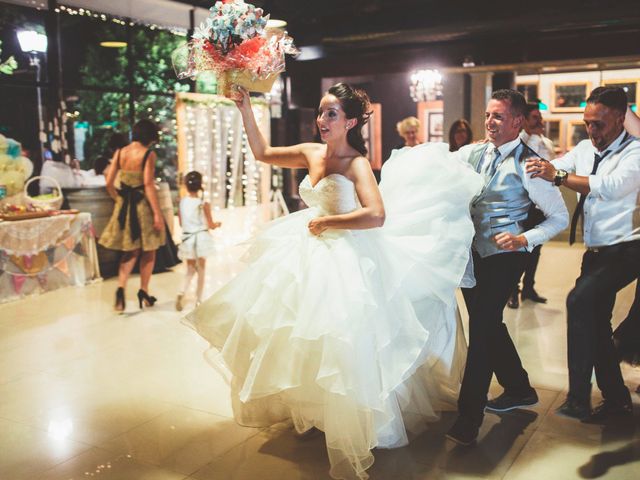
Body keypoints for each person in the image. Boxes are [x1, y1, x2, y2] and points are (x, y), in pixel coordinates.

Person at [185, 83, 483, 480]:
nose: (321, 121)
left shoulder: (356, 164)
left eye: (331, 114)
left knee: (344, 341)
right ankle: (313, 411)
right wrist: (245, 107)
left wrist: (329, 221)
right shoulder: (310, 152)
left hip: (346, 255)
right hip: (307, 251)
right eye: (321, 112)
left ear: (351, 122)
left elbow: (377, 215)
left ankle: (356, 420)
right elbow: (261, 153)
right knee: (301, 336)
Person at [446, 89, 569, 446]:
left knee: (482, 331)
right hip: (472, 254)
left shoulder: (530, 164)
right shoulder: (472, 153)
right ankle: (518, 388)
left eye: (497, 116)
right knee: (488, 324)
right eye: (487, 115)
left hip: (507, 255)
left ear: (516, 121)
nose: (489, 122)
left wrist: (524, 239)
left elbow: (558, 217)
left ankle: (469, 417)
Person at [528, 87, 640, 420]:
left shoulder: (635, 152)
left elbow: (610, 186)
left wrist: (559, 176)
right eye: (587, 123)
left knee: (578, 302)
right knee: (594, 321)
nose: (592, 131)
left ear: (620, 119)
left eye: (600, 124)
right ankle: (616, 398)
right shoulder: (582, 148)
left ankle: (578, 397)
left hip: (628, 250)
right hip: (595, 253)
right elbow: (551, 167)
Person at [99, 119, 165, 312]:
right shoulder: (148, 154)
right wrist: (157, 213)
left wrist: (118, 199)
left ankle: (120, 289)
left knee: (130, 250)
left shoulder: (120, 152)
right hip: (142, 206)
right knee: (149, 250)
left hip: (124, 206)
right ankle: (144, 291)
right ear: (150, 135)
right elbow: (148, 185)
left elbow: (109, 182)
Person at [507, 102, 556, 308]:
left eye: (540, 118)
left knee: (535, 249)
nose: (540, 122)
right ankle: (512, 290)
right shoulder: (516, 142)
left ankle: (528, 288)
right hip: (521, 206)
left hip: (540, 205)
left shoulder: (547, 143)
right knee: (518, 251)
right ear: (524, 120)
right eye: (535, 118)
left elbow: (551, 168)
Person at [176, 171, 221, 311]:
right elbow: (211, 224)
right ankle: (199, 300)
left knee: (189, 270)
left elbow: (182, 223)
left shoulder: (182, 202)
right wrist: (217, 224)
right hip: (201, 239)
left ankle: (181, 292)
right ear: (200, 185)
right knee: (201, 270)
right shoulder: (203, 203)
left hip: (188, 238)